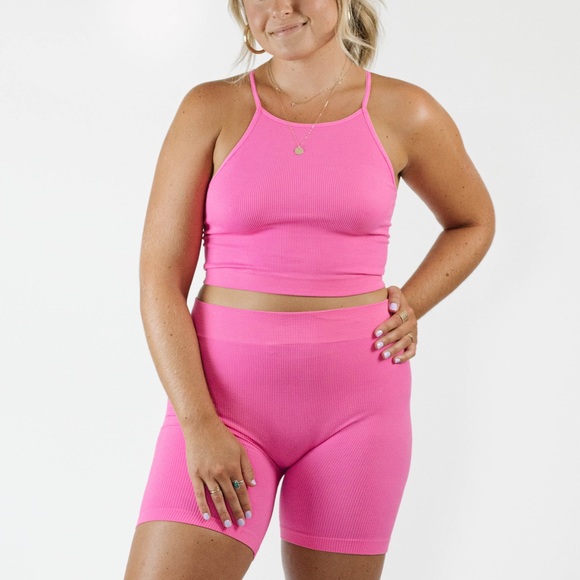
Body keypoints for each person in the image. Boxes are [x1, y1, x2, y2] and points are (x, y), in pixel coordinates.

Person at [124, 0, 495, 578]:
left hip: (358, 417)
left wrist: (413, 302)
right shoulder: (210, 108)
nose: (282, 7)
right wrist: (198, 424)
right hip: (221, 411)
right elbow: (159, 281)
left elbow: (472, 221)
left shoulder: (407, 112)